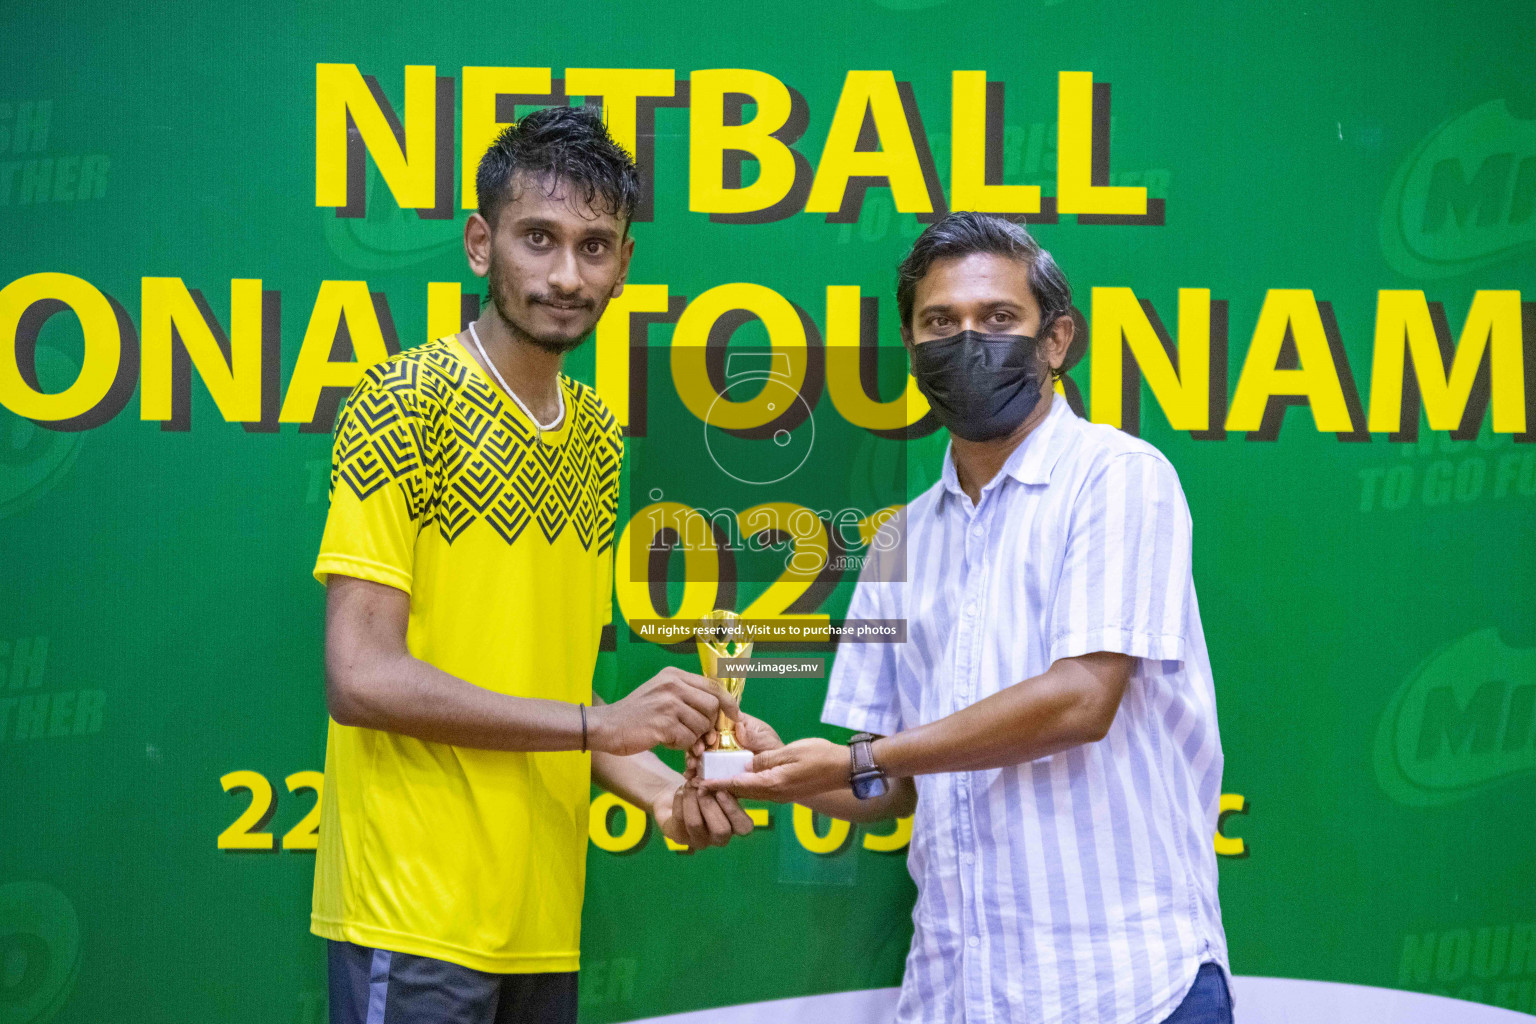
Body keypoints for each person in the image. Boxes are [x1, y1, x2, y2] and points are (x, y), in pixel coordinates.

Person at [702, 212, 1232, 1024]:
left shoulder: (1120, 479)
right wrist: (786, 772)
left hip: (1127, 988)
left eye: (998, 319)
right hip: (960, 991)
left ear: (1057, 341)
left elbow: (1081, 701)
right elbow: (895, 787)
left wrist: (862, 760)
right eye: (939, 324)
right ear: (914, 354)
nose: (968, 342)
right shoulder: (900, 541)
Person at [311, 105, 754, 1024]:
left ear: (625, 263)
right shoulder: (404, 401)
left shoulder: (596, 437)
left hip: (545, 917)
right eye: (537, 239)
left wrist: (669, 791)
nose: (565, 275)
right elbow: (360, 677)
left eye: (595, 247)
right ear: (481, 245)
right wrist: (602, 722)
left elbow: (556, 695)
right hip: (414, 910)